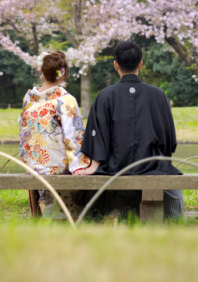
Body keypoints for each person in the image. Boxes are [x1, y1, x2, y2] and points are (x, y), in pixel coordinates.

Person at [77, 40, 184, 219]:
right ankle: (174, 220)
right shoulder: (158, 95)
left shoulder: (104, 96)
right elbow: (169, 141)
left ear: (116, 65)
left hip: (114, 167)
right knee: (171, 179)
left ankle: (100, 217)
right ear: (140, 64)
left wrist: (94, 164)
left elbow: (97, 136)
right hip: (152, 165)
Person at [19, 50, 98, 218]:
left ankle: (46, 216)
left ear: (42, 71)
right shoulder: (65, 100)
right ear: (63, 74)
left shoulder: (29, 98)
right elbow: (73, 136)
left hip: (33, 166)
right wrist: (79, 165)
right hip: (57, 169)